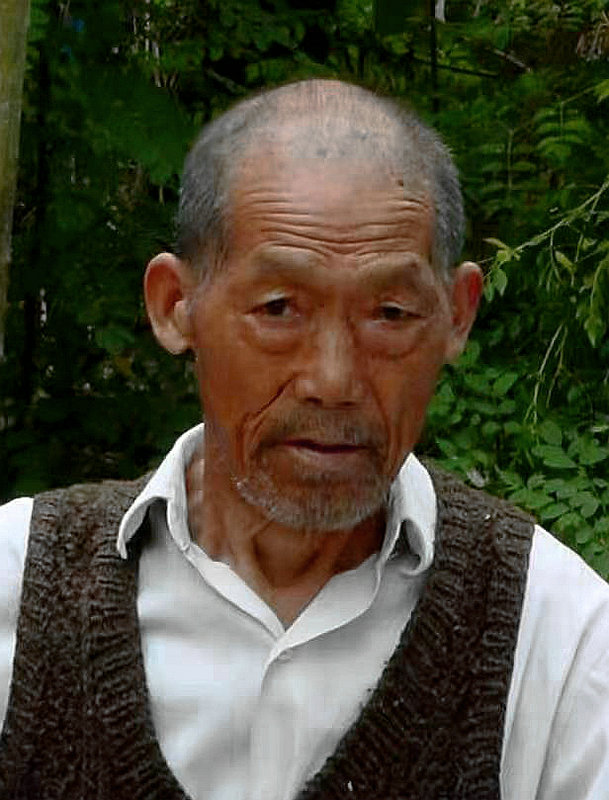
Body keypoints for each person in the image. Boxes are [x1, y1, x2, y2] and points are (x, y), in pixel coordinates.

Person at [1, 79, 609, 800]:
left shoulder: (557, 637)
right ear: (175, 305)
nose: (333, 380)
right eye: (279, 308)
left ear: (455, 315)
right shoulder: (17, 589)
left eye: (389, 313)